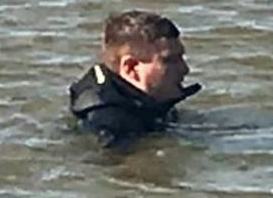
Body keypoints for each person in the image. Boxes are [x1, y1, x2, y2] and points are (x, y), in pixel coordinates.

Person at [69, 10, 201, 149]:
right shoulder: (113, 128)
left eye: (181, 58)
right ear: (131, 68)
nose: (185, 69)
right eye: (169, 61)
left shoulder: (141, 96)